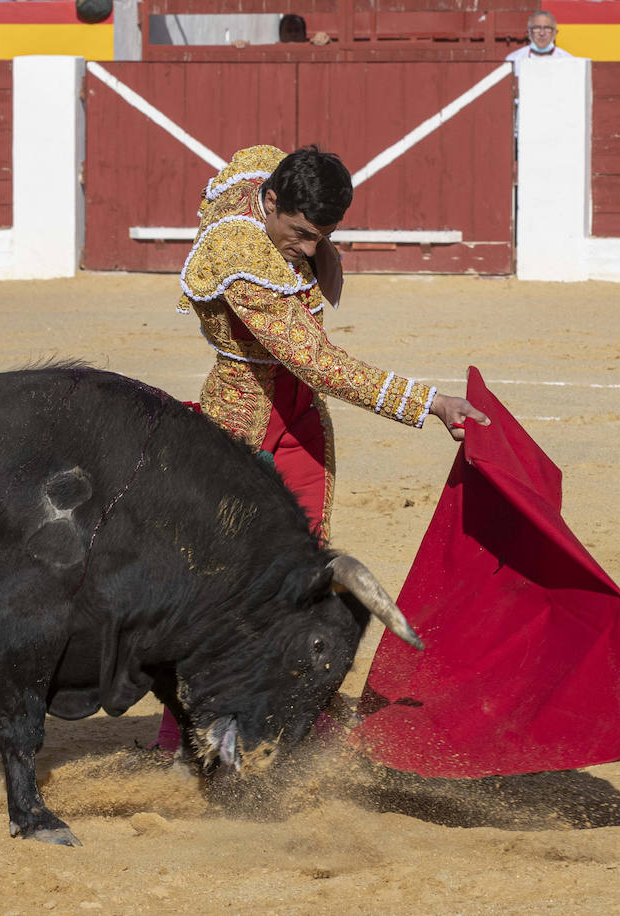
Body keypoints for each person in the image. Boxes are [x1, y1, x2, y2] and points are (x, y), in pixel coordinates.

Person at [151, 144, 489, 755]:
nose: (308, 250)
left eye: (322, 236)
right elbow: (315, 361)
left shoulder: (262, 174)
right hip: (241, 419)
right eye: (301, 234)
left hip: (299, 420)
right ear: (270, 203)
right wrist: (429, 403)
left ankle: (309, 704)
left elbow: (264, 159)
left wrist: (319, 241)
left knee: (308, 571)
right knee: (221, 581)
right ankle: (185, 726)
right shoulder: (238, 252)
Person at [505, 10, 574, 76]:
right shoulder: (514, 59)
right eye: (537, 28)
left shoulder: (568, 60)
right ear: (529, 33)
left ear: (555, 33)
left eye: (547, 28)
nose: (542, 33)